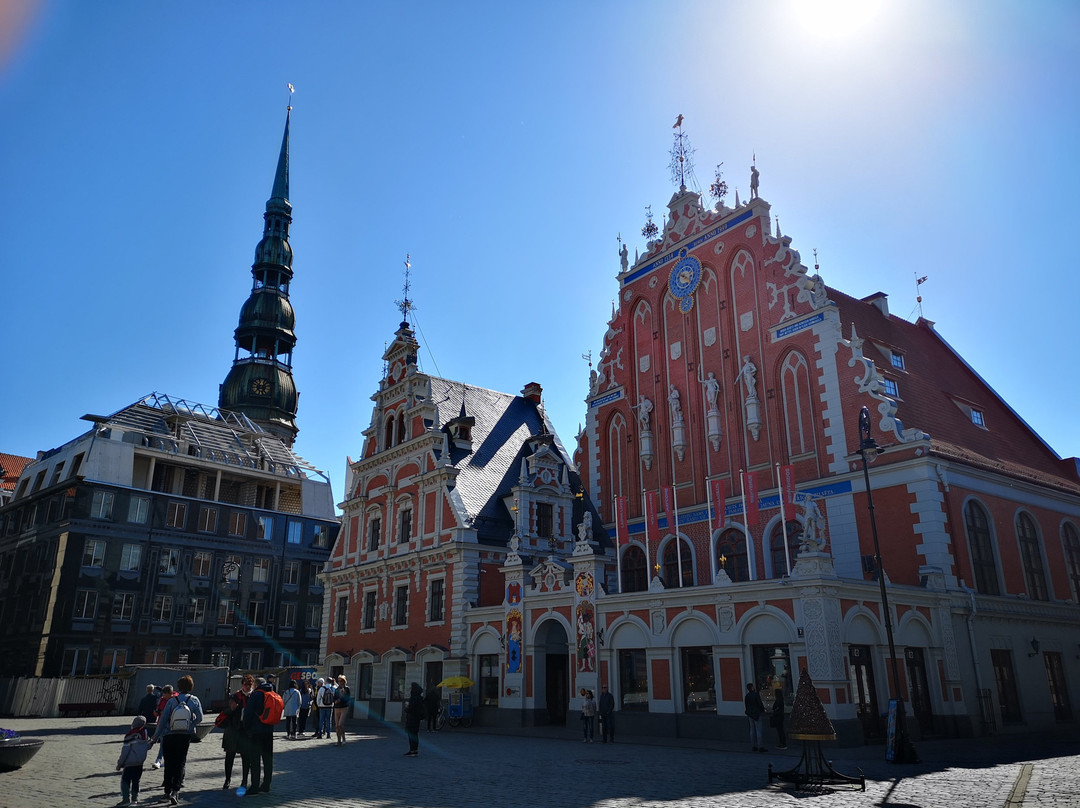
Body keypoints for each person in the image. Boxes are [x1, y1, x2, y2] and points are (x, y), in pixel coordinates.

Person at [151, 674, 203, 806]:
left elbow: (163, 720)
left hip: (169, 734)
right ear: (191, 686)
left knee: (169, 763)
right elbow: (200, 718)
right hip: (184, 736)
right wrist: (190, 726)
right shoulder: (194, 700)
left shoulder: (172, 701)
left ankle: (166, 792)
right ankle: (175, 791)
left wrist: (155, 737)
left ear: (178, 686)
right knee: (180, 762)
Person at [242, 676, 276, 795]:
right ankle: (266, 784)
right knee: (268, 759)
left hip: (256, 731)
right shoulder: (272, 693)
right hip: (269, 730)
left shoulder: (256, 695)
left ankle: (254, 786)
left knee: (255, 760)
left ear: (256, 685)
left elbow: (248, 713)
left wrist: (247, 728)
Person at [221, 673, 254, 791]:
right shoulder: (235, 696)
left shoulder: (253, 697)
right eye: (246, 685)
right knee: (230, 756)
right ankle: (227, 779)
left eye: (250, 685)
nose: (248, 687)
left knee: (246, 757)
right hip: (233, 730)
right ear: (242, 685)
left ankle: (244, 781)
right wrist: (231, 709)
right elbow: (225, 712)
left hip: (246, 731)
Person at [116, 715, 151, 806]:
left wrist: (120, 763)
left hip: (129, 763)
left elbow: (125, 751)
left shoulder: (130, 735)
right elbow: (147, 746)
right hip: (140, 763)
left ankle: (125, 799)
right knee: (136, 781)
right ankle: (135, 799)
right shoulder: (145, 734)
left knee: (125, 781)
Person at [150, 684, 174, 769]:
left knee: (168, 744)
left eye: (164, 694)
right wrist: (156, 712)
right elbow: (156, 712)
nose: (163, 696)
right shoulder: (162, 700)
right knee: (163, 743)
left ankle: (163, 760)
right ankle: (159, 761)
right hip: (161, 724)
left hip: (171, 725)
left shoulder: (175, 700)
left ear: (170, 693)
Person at [403, 682, 424, 757]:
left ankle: (412, 750)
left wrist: (406, 708)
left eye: (411, 688)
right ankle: (415, 750)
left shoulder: (413, 698)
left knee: (411, 734)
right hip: (417, 719)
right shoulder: (420, 698)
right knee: (415, 734)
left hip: (412, 718)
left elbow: (411, 709)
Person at [744, 682, 766, 753]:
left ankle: (753, 746)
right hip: (757, 714)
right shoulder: (756, 695)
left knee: (752, 730)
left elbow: (746, 705)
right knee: (758, 730)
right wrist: (762, 710)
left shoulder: (747, 696)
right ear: (752, 688)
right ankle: (760, 746)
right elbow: (759, 703)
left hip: (750, 714)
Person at [332, 675, 350, 746]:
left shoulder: (347, 689)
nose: (340, 682)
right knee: (337, 725)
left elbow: (347, 698)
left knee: (340, 724)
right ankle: (338, 740)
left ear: (344, 681)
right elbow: (334, 698)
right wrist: (335, 701)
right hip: (337, 708)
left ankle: (344, 738)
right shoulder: (336, 689)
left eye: (342, 681)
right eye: (339, 681)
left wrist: (343, 695)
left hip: (344, 707)